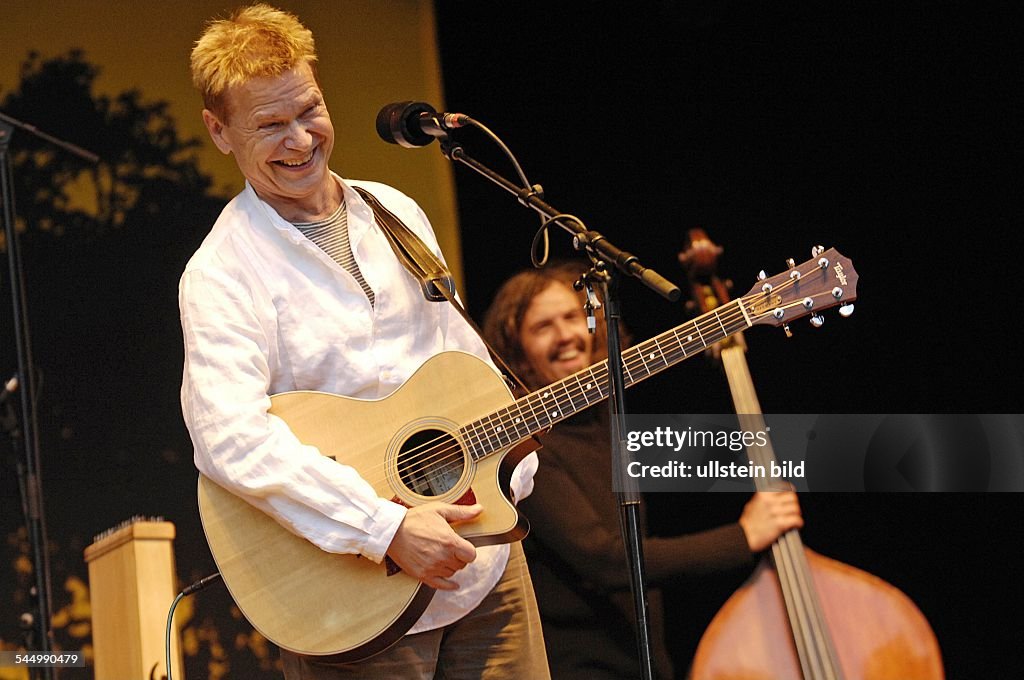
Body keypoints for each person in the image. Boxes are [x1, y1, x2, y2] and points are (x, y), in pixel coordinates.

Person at [179, 5, 548, 678]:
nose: (301, 139)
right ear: (219, 131)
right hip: (353, 599)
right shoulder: (221, 272)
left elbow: (458, 367)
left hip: (483, 562)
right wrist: (384, 529)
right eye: (270, 125)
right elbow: (229, 439)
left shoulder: (395, 212)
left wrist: (507, 467)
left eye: (309, 109)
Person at [482, 262, 804, 679]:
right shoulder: (526, 446)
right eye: (543, 326)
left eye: (573, 316)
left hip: (641, 660)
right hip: (578, 667)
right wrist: (742, 537)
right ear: (516, 350)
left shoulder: (608, 424)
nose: (566, 335)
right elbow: (607, 562)